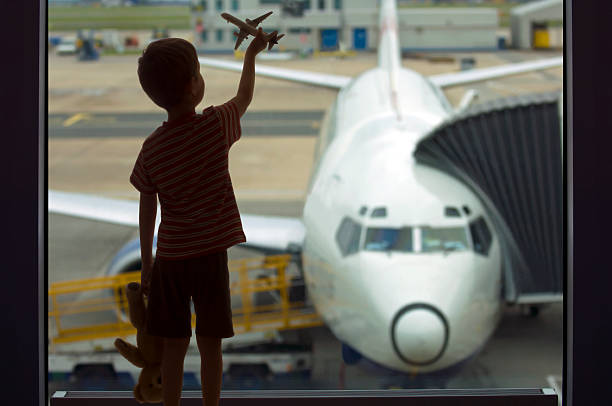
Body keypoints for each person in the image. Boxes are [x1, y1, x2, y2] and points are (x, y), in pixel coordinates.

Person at [130, 28, 274, 406]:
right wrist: (252, 55)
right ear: (195, 86)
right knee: (211, 346)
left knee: (173, 347)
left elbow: (148, 205)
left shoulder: (152, 148)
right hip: (210, 256)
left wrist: (148, 261)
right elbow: (243, 98)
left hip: (171, 261)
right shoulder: (214, 127)